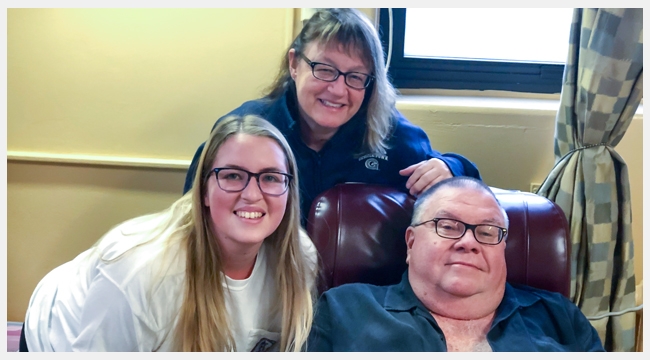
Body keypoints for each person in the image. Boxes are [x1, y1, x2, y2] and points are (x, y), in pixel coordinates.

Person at [21, 115, 318, 352]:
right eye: (232, 176)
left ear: (289, 191)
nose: (252, 194)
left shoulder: (298, 259)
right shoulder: (142, 273)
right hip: (59, 336)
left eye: (270, 177)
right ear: (203, 190)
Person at [183, 8, 481, 225]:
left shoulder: (393, 136)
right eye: (325, 69)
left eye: (355, 76)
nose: (338, 90)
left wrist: (448, 167)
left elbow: (465, 186)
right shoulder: (242, 133)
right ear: (294, 64)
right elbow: (190, 218)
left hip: (358, 294)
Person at [307, 176, 605, 352]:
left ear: (502, 248)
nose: (469, 242)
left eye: (487, 232)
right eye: (447, 226)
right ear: (411, 242)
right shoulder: (343, 309)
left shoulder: (561, 319)